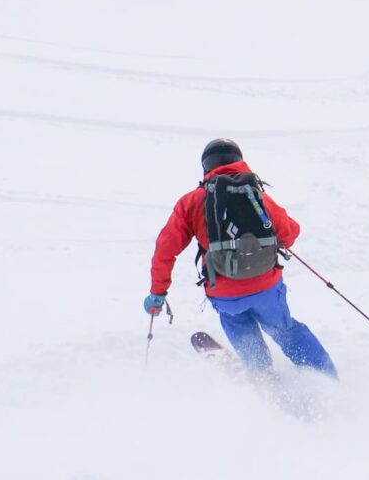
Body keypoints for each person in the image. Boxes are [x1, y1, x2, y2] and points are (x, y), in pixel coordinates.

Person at [144, 138, 336, 376]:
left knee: (240, 329)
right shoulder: (256, 196)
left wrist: (158, 293)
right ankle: (325, 376)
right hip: (266, 286)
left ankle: (263, 376)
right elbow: (290, 232)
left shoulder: (191, 202)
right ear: (240, 161)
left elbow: (165, 250)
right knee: (286, 332)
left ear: (206, 166)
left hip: (223, 291)